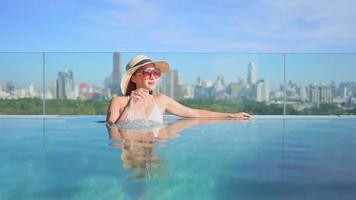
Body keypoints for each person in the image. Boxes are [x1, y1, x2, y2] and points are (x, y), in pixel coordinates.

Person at [106, 55, 251, 125]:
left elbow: (195, 113)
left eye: (156, 73)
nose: (153, 77)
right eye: (147, 72)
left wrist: (231, 116)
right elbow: (112, 130)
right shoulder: (118, 101)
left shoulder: (161, 100)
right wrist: (129, 106)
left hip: (153, 148)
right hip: (131, 150)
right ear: (133, 78)